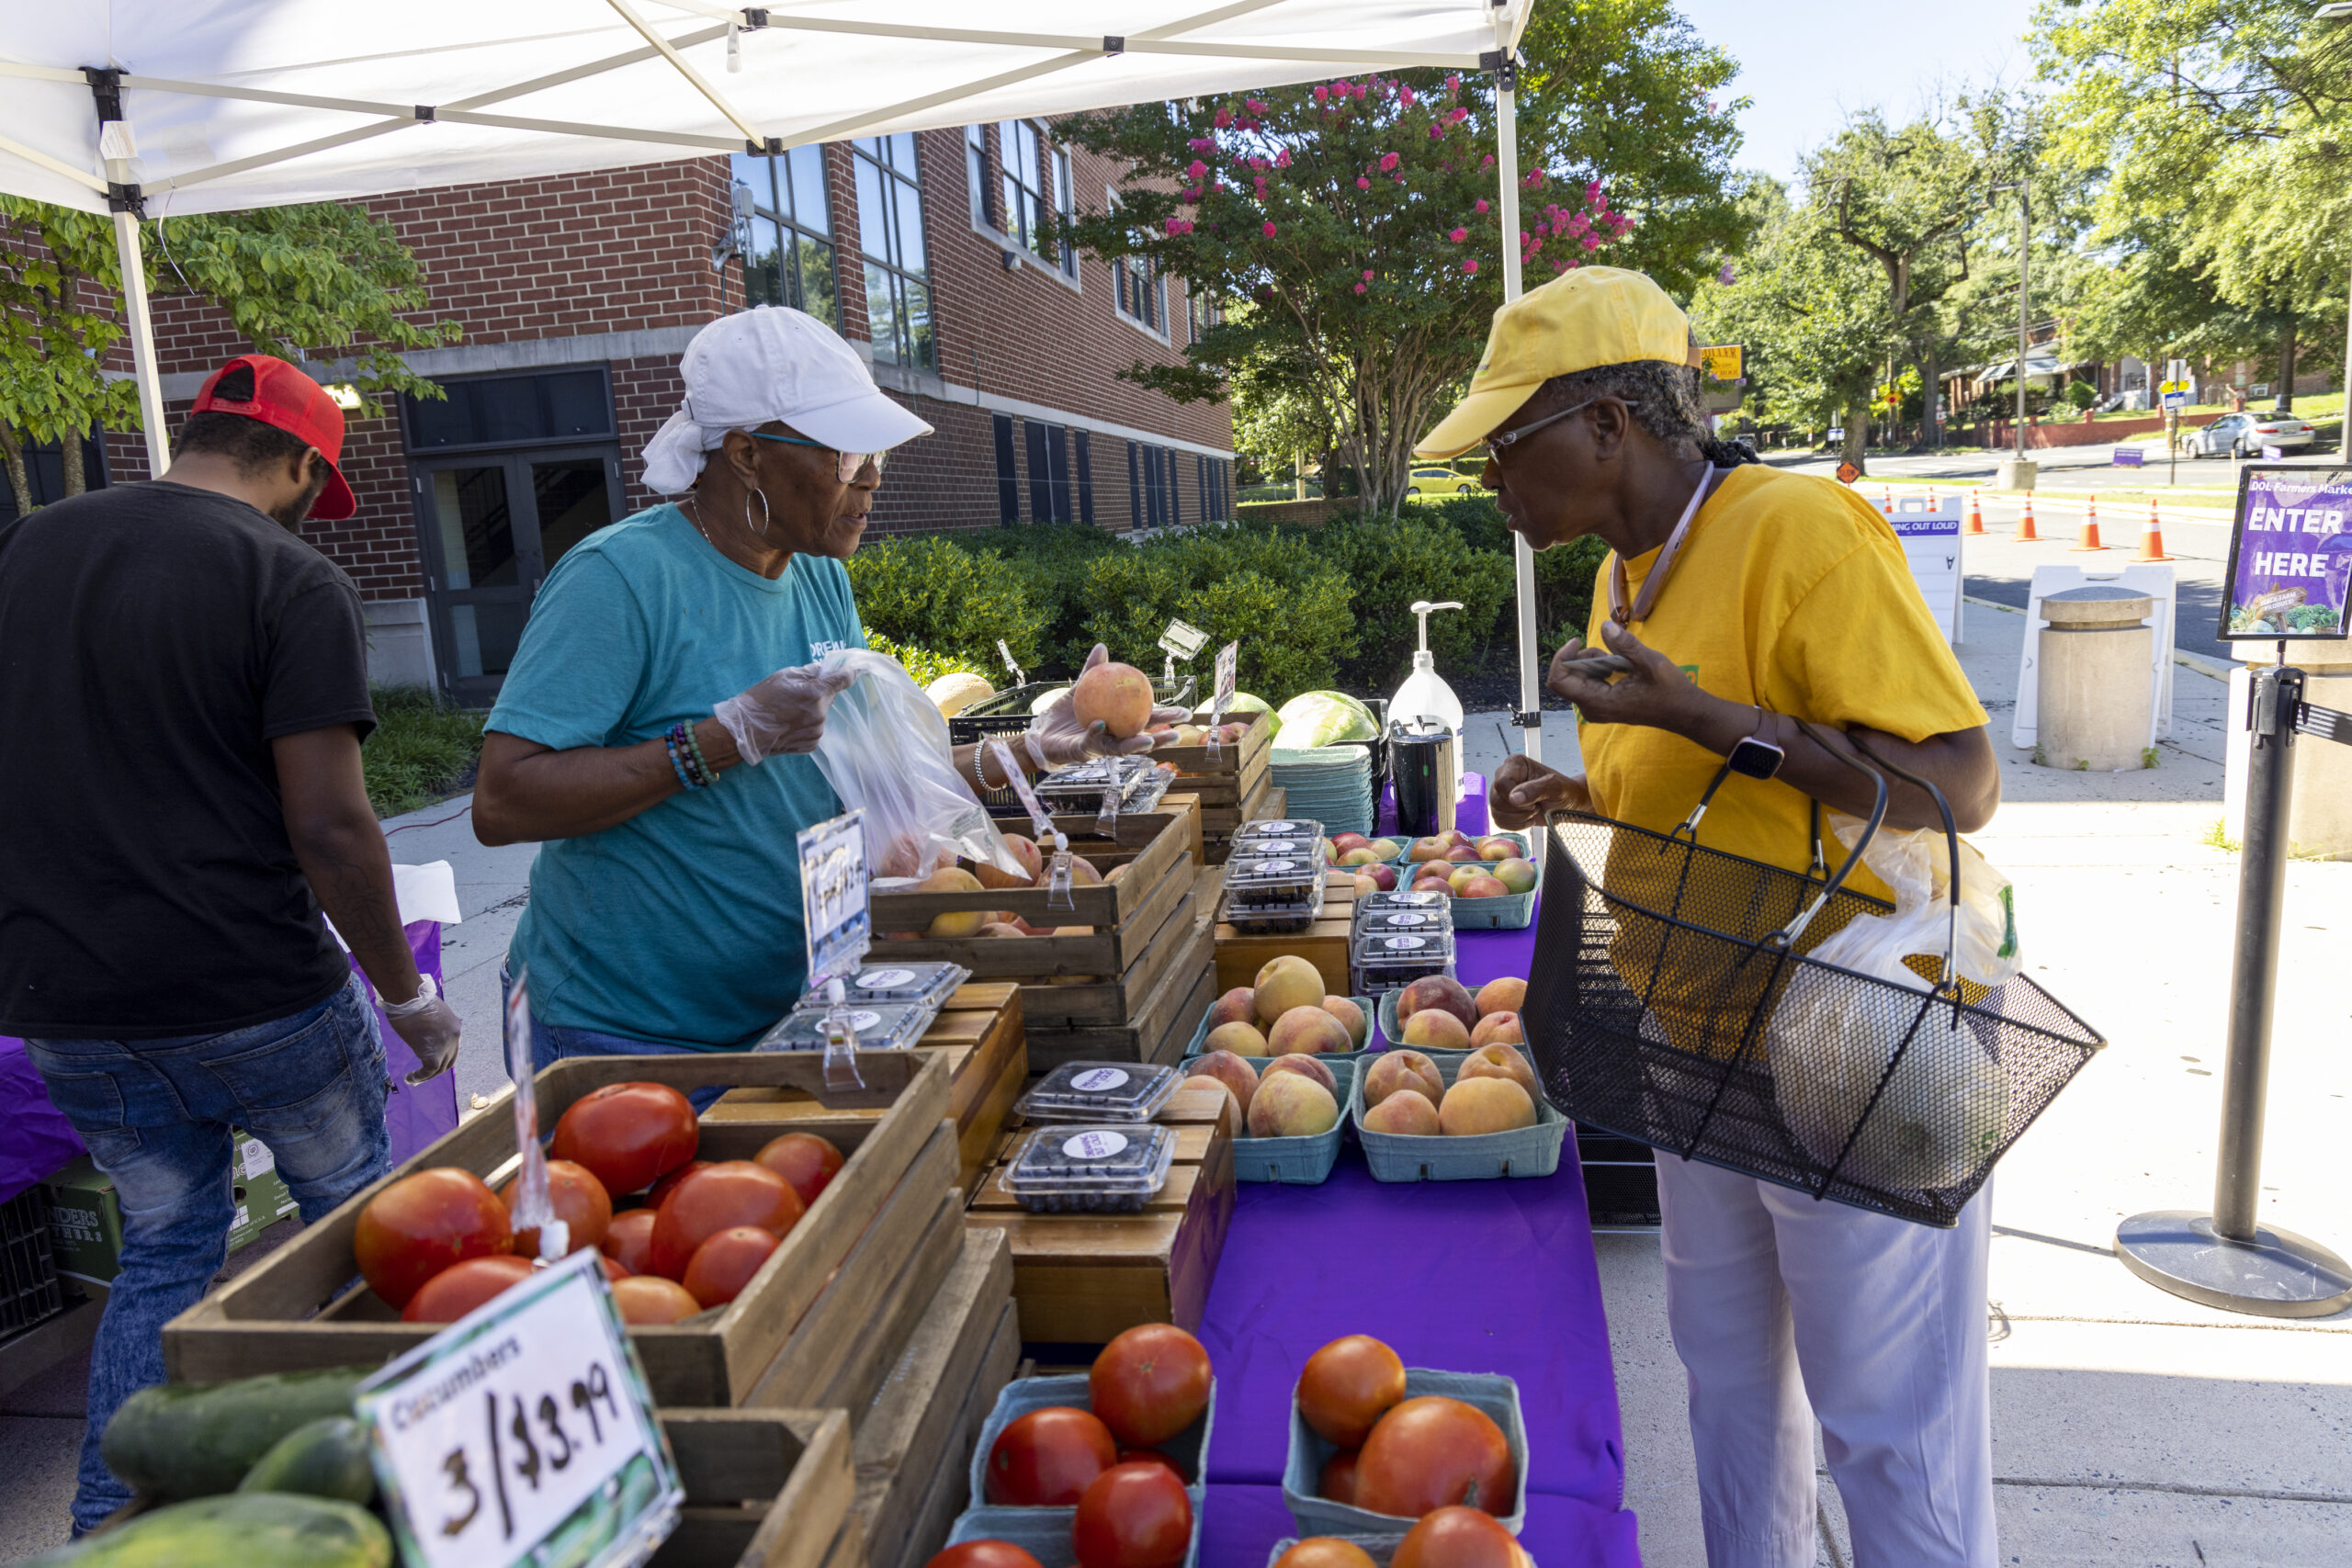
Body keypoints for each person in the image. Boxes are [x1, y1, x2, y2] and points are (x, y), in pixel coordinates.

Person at [1415, 267, 2002, 1568]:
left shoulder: (1806, 531)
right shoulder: (1623, 574)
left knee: (1893, 1432)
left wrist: (1707, 720)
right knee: (1730, 1388)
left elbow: (1960, 785)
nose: (1494, 484)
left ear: (1611, 423)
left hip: (1856, 1039)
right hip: (1698, 1036)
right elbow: (1692, 786)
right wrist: (1577, 782)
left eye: (1508, 448)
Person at [0, 355, 462, 1534]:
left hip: (70, 1003)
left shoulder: (31, 549)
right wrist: (406, 996)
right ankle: (415, 1500)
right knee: (361, 1231)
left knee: (165, 1243)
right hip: (253, 993)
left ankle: (107, 1524)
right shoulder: (286, 576)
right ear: (306, 465)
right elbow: (330, 822)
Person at [473, 307, 1180, 1065]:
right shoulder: (620, 579)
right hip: (622, 1031)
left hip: (793, 1009)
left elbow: (881, 775)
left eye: (875, 451)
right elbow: (502, 800)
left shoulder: (817, 575)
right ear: (745, 453)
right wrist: (721, 741)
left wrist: (1031, 751)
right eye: (844, 454)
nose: (871, 476)